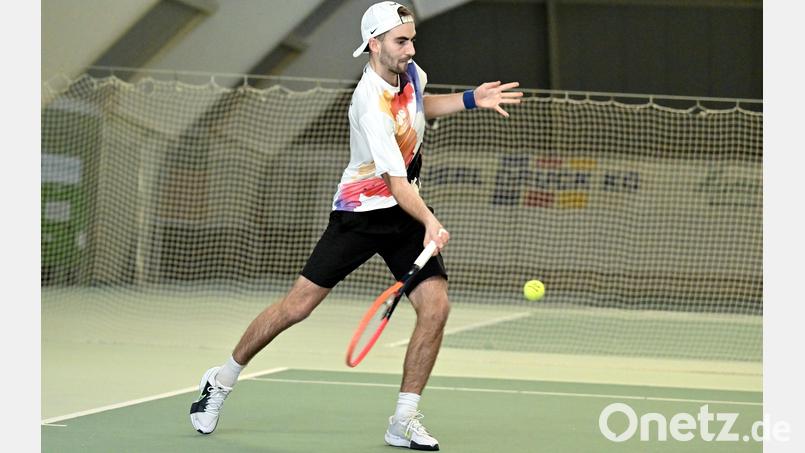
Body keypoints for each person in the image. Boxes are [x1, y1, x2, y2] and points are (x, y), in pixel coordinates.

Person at [189, 1, 522, 450]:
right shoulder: (369, 102)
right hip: (360, 215)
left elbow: (424, 108)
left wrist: (470, 99)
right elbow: (395, 182)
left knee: (436, 307)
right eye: (401, 40)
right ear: (374, 44)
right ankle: (222, 378)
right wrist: (430, 221)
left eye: (412, 38)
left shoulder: (412, 75)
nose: (411, 47)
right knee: (297, 307)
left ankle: (403, 419)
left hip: (403, 216)